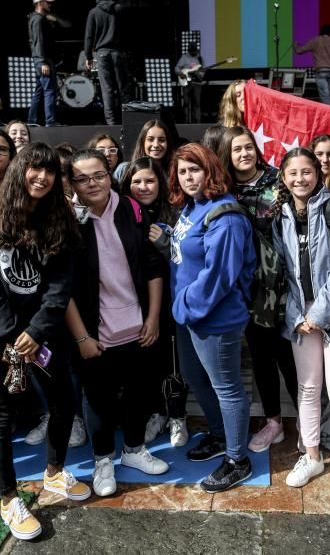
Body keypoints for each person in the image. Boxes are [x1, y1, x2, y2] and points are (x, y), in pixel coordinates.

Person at [150, 143, 256, 492]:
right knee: (198, 380)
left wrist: (183, 307)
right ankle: (221, 436)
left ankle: (237, 460)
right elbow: (188, 255)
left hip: (215, 320)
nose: (188, 176)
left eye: (194, 169)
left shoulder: (225, 215)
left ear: (209, 168)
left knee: (227, 388)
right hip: (189, 316)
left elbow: (218, 278)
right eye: (182, 171)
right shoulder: (192, 208)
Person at [65, 148, 169, 497]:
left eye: (98, 175)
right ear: (72, 184)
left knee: (140, 392)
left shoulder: (130, 209)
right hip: (96, 332)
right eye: (82, 178)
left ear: (109, 175)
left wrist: (153, 318)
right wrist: (82, 339)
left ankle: (134, 450)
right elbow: (62, 289)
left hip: (138, 325)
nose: (92, 183)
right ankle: (103, 460)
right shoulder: (67, 222)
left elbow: (153, 266)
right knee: (98, 399)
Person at [0, 143, 90, 542]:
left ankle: (54, 473)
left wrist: (36, 332)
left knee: (65, 401)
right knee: (2, 419)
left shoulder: (60, 220)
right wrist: (13, 336)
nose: (42, 177)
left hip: (45, 334)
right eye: (34, 169)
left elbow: (60, 285)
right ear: (20, 170)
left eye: (50, 171)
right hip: (3, 336)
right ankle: (6, 498)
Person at [272, 147, 330, 493]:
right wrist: (298, 316)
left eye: (306, 172)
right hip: (301, 317)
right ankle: (311, 456)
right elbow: (284, 273)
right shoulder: (281, 215)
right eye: (293, 173)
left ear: (318, 174)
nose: (300, 179)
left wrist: (318, 313)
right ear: (284, 178)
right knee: (308, 390)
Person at [218, 126, 298, 453]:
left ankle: (313, 424)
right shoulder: (224, 190)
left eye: (248, 147)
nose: (244, 154)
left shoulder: (279, 180)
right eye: (237, 149)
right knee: (261, 359)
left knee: (289, 357)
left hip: (285, 284)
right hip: (248, 289)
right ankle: (274, 422)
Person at [120, 157, 188, 449]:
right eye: (137, 181)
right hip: (130, 303)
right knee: (146, 365)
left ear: (160, 183)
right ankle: (156, 414)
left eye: (150, 181)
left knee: (173, 362)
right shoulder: (119, 212)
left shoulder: (175, 214)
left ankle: (177, 417)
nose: (143, 187)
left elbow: (187, 260)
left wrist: (165, 243)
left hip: (170, 302)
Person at [84, 0, 131, 125]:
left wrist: (88, 56)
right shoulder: (119, 9)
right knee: (123, 89)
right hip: (118, 52)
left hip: (102, 53)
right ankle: (128, 120)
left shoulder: (93, 12)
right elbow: (128, 32)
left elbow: (89, 36)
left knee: (107, 89)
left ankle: (111, 123)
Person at [294, 24, 330, 105]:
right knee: (326, 95)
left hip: (321, 71)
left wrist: (295, 45)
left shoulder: (315, 40)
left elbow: (299, 51)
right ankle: (329, 110)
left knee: (325, 96)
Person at [27, 0, 59, 127]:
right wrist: (43, 62)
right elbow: (38, 42)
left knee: (39, 91)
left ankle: (31, 121)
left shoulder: (38, 19)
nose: (50, 4)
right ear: (40, 3)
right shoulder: (38, 20)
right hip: (43, 60)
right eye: (47, 2)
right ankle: (50, 122)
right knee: (49, 90)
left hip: (40, 59)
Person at [174, 42, 205, 123]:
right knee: (186, 103)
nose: (192, 52)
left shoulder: (200, 59)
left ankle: (197, 121)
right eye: (191, 50)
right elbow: (177, 68)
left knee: (197, 103)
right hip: (187, 83)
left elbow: (203, 72)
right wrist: (180, 73)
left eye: (194, 50)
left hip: (197, 83)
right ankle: (186, 120)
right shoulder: (184, 57)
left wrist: (198, 75)